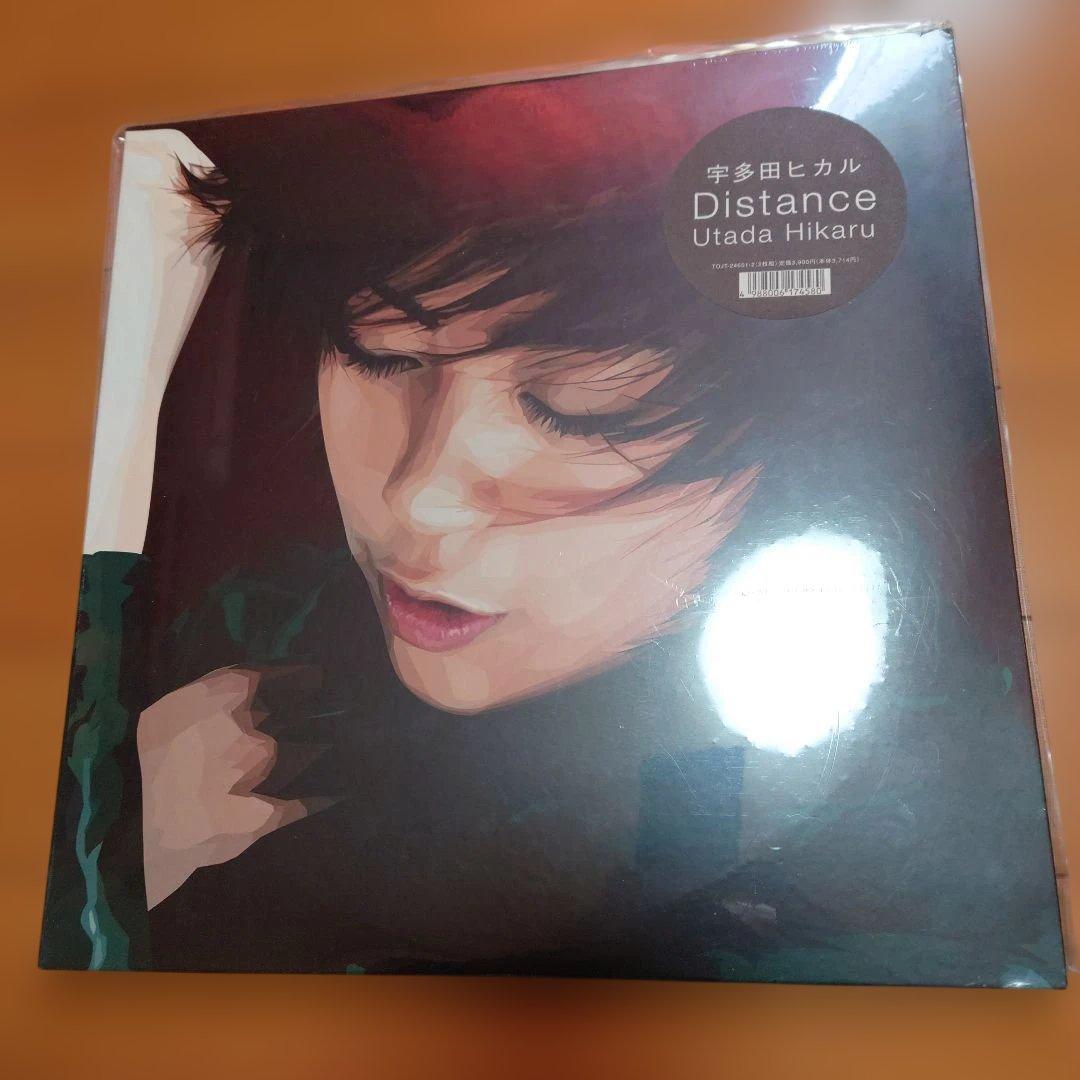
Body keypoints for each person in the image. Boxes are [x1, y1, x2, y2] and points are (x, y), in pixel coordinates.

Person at [42, 50, 1064, 983]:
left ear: (808, 461)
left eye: (579, 411)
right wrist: (128, 833)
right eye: (377, 354)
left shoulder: (918, 868)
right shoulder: (252, 637)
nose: (419, 497)